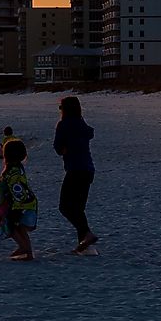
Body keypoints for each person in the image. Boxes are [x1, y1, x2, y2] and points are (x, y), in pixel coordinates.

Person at [53, 96, 98, 253]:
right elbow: (88, 134)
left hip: (75, 170)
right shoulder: (81, 123)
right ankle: (85, 246)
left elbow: (58, 148)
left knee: (65, 207)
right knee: (78, 208)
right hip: (88, 170)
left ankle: (87, 234)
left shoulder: (63, 125)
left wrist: (66, 148)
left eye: (61, 108)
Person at [0, 140, 38, 261]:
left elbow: (12, 187)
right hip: (29, 202)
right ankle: (28, 252)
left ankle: (23, 247)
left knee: (9, 226)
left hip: (20, 205)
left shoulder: (11, 171)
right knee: (20, 227)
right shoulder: (18, 168)